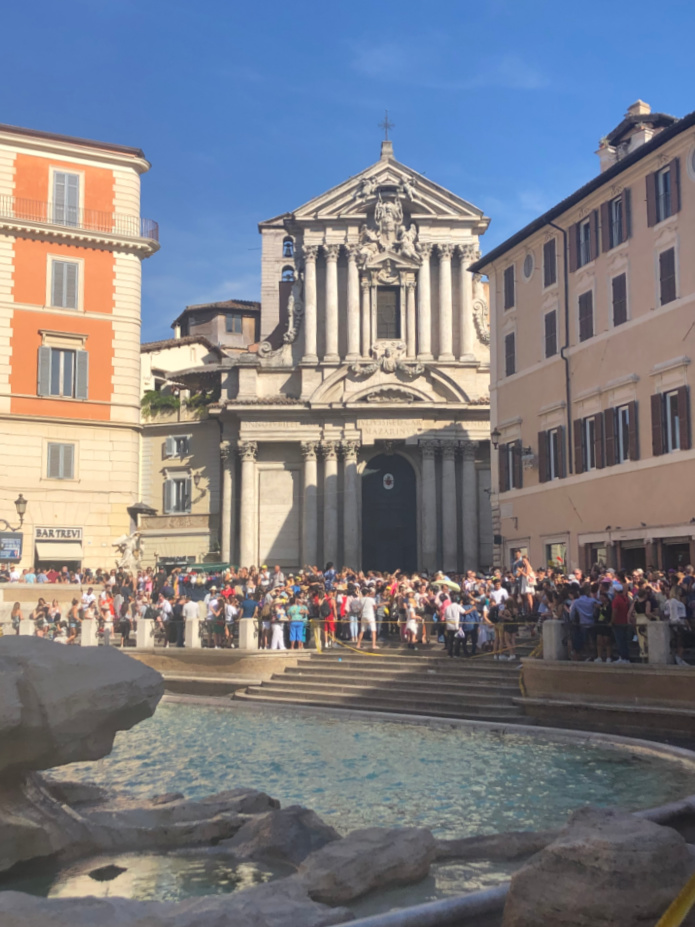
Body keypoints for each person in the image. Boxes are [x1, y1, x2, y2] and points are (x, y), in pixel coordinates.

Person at [610, 583, 631, 664]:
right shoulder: (626, 599)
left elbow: (614, 612)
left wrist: (612, 621)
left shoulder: (616, 600)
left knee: (620, 641)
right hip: (625, 622)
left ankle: (622, 657)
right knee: (624, 640)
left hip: (618, 623)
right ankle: (625, 657)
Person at [594, 590, 613, 663]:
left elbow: (608, 614)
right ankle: (599, 657)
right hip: (599, 624)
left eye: (603, 597)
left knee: (607, 641)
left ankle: (608, 657)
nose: (601, 599)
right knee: (599, 641)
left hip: (606, 624)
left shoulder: (609, 606)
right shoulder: (600, 605)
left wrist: (600, 608)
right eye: (600, 598)